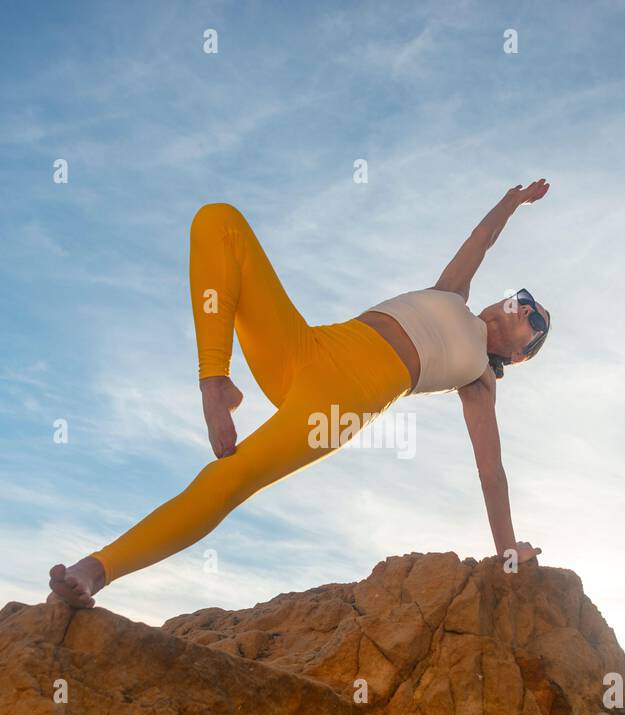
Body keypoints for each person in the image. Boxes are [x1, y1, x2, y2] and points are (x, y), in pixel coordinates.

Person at [49, 179, 552, 608]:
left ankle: (96, 569)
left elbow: (492, 473)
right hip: (307, 348)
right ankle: (215, 381)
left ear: (520, 356)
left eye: (534, 321)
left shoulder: (479, 380)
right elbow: (482, 238)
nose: (523, 308)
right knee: (219, 221)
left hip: (336, 408)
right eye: (523, 300)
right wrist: (512, 201)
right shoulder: (452, 292)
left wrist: (508, 550)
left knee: (231, 478)